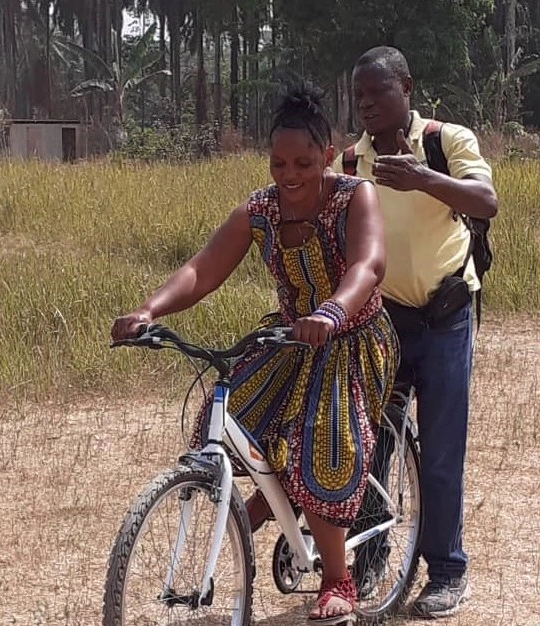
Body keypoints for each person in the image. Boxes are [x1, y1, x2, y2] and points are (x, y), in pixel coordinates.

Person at [111, 83, 399, 624]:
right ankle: (279, 495)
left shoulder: (353, 196)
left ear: (329, 155)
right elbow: (201, 270)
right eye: (278, 163)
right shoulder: (259, 210)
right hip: (290, 337)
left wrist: (332, 313)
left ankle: (337, 578)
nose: (289, 175)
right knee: (229, 416)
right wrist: (150, 310)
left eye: (304, 163)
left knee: (322, 437)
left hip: (353, 338)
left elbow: (369, 267)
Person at [333, 46, 498, 618]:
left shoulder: (446, 141)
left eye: (378, 92)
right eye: (358, 97)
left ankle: (446, 572)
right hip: (384, 321)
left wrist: (424, 177)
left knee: (440, 450)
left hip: (446, 315)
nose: (367, 105)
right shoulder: (350, 164)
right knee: (372, 442)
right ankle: (373, 558)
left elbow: (486, 201)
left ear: (406, 87)